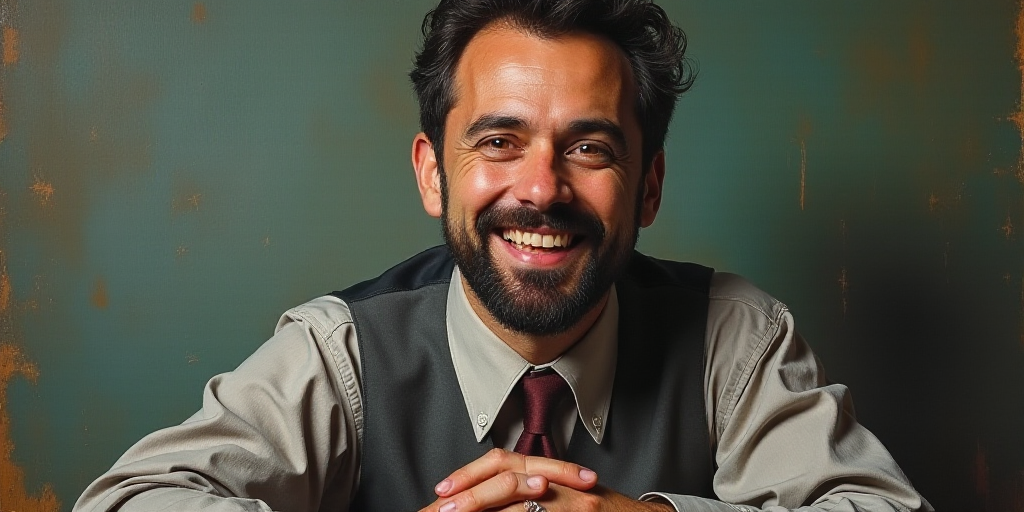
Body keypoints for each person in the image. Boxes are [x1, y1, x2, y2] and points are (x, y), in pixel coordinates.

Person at [74, 1, 933, 511]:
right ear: (432, 174)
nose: (542, 188)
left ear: (648, 186)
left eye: (589, 148)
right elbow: (129, 501)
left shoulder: (731, 339)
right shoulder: (341, 354)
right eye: (499, 141)